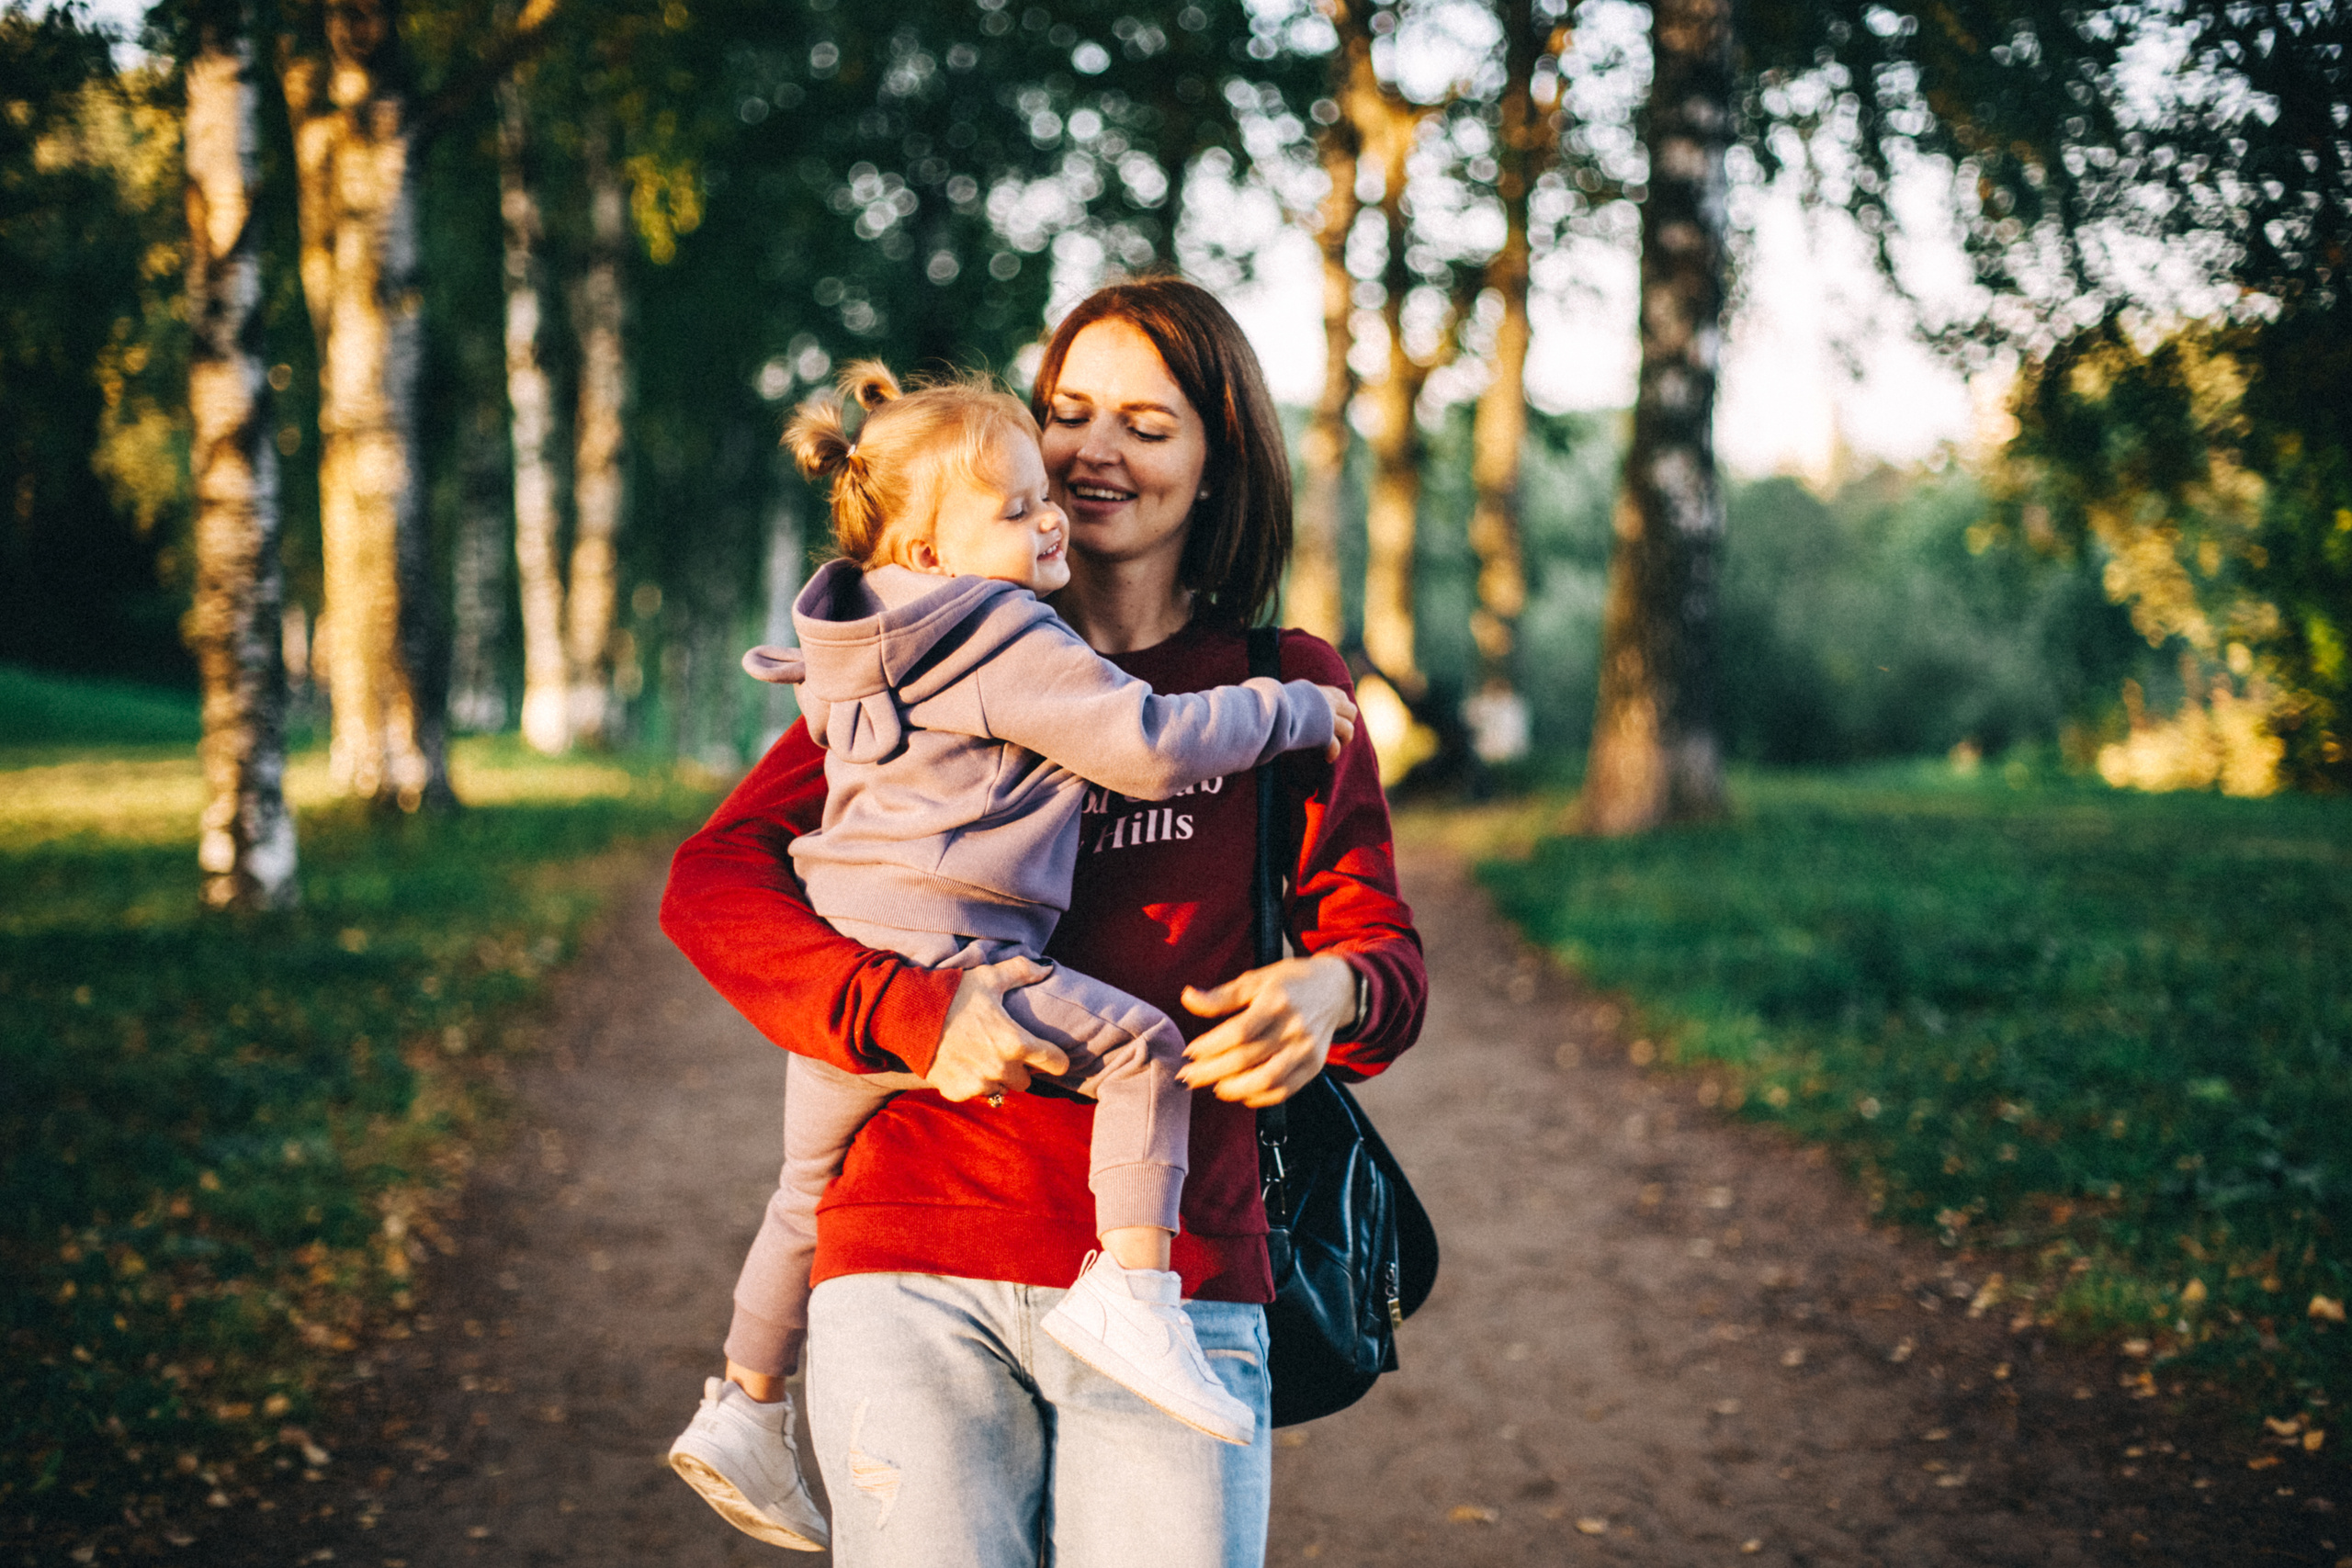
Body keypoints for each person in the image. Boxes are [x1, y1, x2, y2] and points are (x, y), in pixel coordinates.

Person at [659, 276, 1427, 1568]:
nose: (1093, 451)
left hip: (1175, 1275)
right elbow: (715, 878)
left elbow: (1387, 962)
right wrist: (909, 1014)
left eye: (1148, 422)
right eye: (1069, 409)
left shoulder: (1279, 686)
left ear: (1218, 456)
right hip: (908, 1254)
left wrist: (1332, 993)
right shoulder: (931, 648)